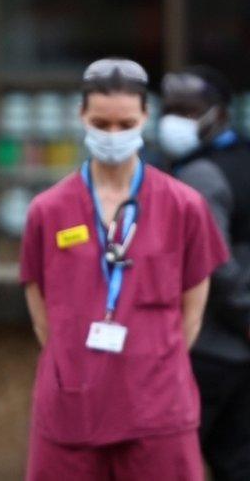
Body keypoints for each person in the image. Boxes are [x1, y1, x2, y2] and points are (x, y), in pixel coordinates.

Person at [20, 58, 229, 480]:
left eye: (124, 123)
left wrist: (152, 360)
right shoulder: (48, 210)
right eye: (101, 122)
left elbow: (193, 310)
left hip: (157, 408)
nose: (112, 134)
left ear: (145, 118)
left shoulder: (183, 206)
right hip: (72, 408)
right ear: (81, 117)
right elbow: (42, 314)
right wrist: (73, 362)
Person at [159, 66, 250, 480]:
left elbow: (214, 261)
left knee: (175, 463)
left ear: (218, 113)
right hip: (232, 347)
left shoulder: (200, 174)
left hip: (209, 347)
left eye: (188, 110)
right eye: (170, 109)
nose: (175, 119)